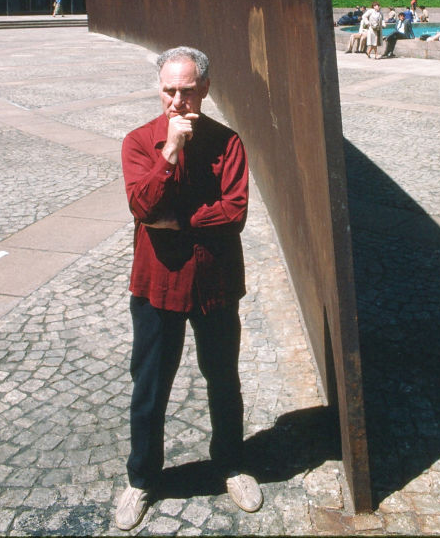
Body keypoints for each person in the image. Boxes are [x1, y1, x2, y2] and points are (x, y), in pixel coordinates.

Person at [115, 47, 263, 531]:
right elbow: (142, 208)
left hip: (215, 282)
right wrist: (171, 152)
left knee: (223, 379)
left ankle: (231, 464)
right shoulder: (139, 142)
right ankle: (141, 479)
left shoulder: (228, 142)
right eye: (169, 90)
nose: (178, 100)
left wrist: (176, 220)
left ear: (205, 89)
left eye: (187, 90)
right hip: (157, 284)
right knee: (151, 387)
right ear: (160, 89)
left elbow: (234, 213)